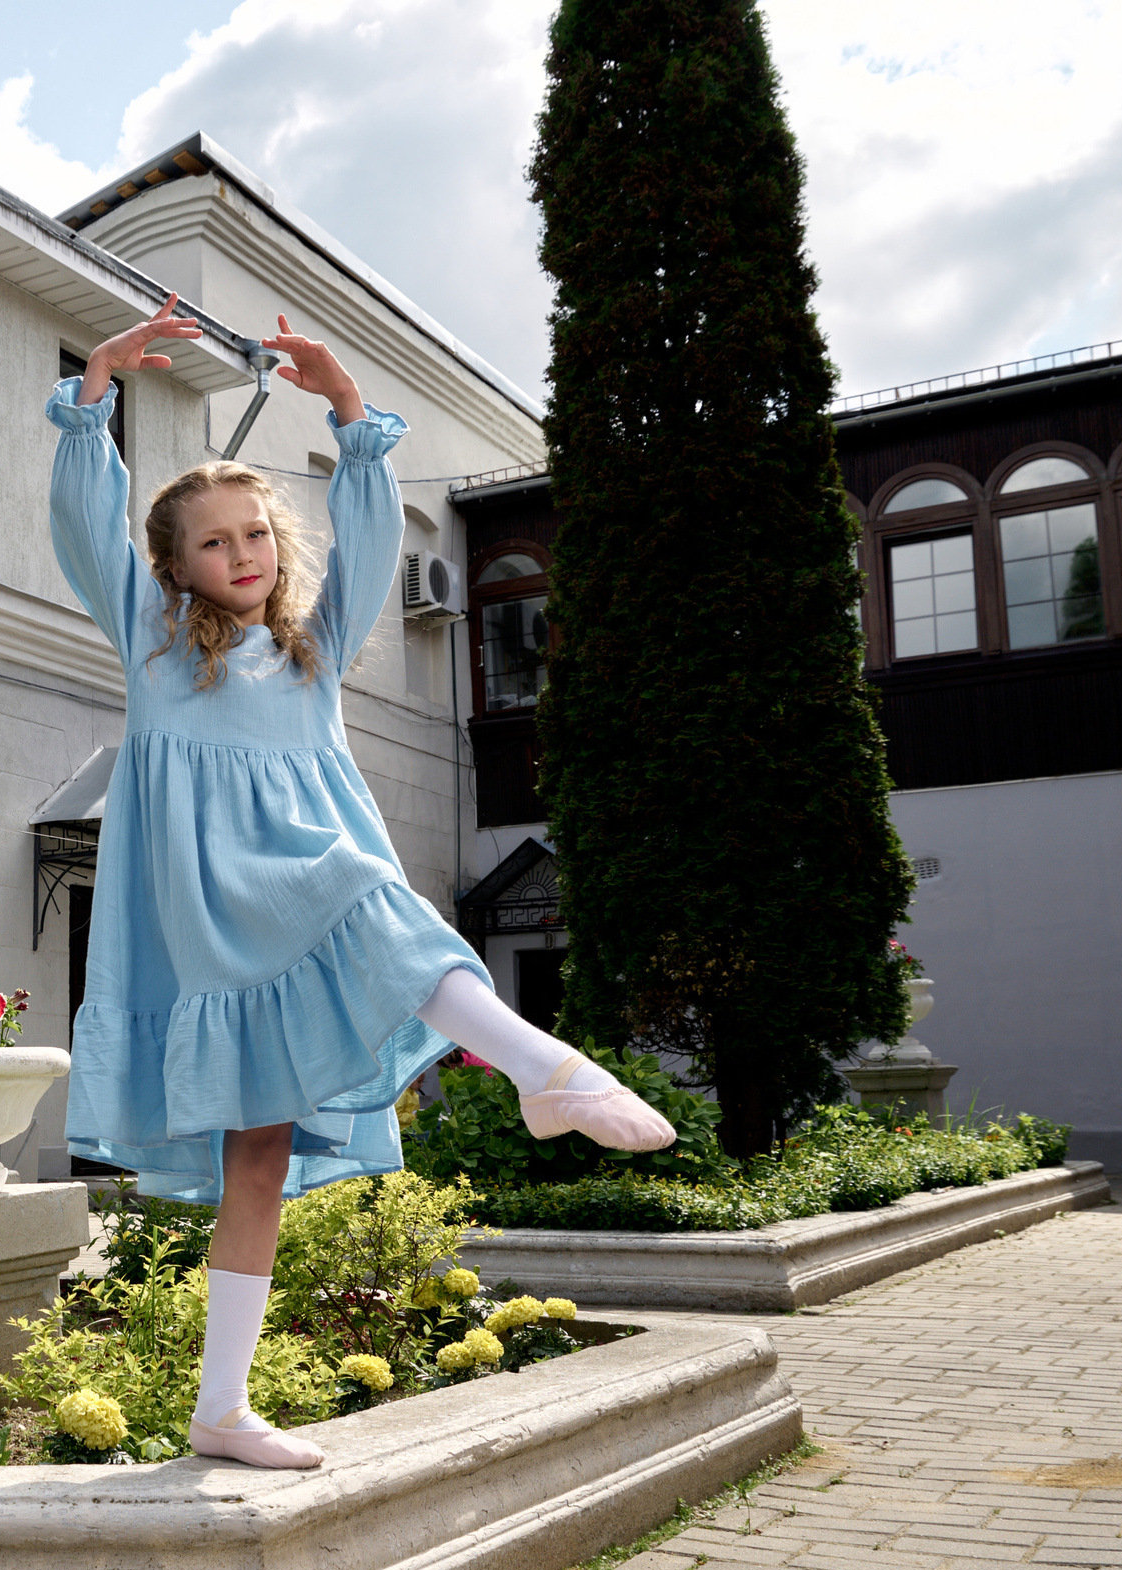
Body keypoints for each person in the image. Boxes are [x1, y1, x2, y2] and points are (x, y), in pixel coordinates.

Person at [46, 299, 680, 1470]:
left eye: (256, 534)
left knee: (272, 1138)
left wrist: (347, 411)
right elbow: (87, 527)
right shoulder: (149, 644)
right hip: (221, 908)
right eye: (213, 543)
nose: (243, 555)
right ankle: (549, 1069)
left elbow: (378, 540)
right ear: (172, 567)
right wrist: (91, 403)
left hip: (307, 890)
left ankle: (219, 1409)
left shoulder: (313, 650)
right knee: (358, 931)